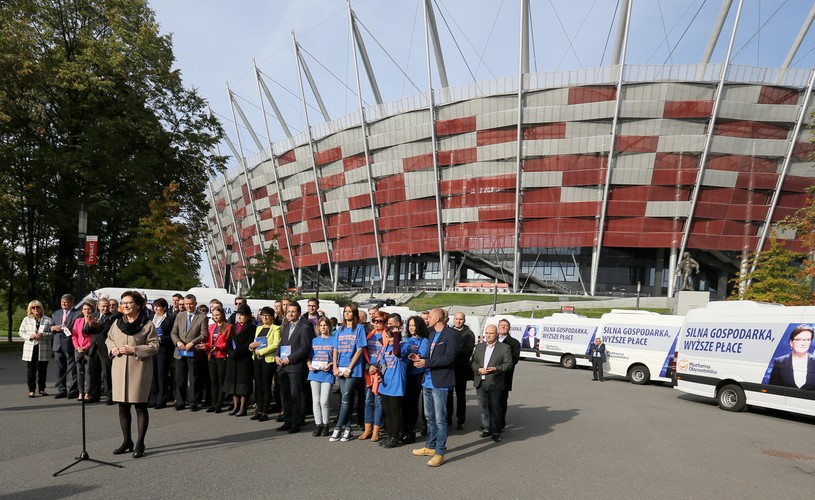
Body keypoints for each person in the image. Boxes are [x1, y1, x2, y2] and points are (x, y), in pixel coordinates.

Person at [106, 291, 159, 459]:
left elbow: (154, 346)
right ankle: (127, 441)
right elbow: (109, 339)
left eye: (129, 302)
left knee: (140, 406)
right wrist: (113, 349)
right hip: (119, 367)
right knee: (122, 406)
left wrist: (134, 349)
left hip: (139, 368)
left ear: (138, 305)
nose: (126, 305)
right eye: (123, 303)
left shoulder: (147, 324)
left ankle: (140, 443)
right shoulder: (117, 323)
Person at [410, 308, 457, 467]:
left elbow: (449, 358)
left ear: (437, 318)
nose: (427, 319)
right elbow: (430, 356)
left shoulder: (451, 335)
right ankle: (430, 446)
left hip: (441, 382)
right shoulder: (431, 334)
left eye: (429, 316)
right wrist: (419, 358)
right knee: (429, 417)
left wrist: (427, 363)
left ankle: (440, 452)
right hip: (428, 381)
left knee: (440, 420)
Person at [329, 303, 367, 442]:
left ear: (354, 314)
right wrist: (335, 366)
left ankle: (338, 428)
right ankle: (348, 429)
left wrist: (349, 368)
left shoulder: (359, 328)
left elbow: (359, 350)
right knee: (347, 399)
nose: (346, 313)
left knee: (345, 398)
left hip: (352, 369)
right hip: (340, 368)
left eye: (350, 311)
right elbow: (335, 349)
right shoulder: (340, 329)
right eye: (345, 311)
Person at [276, 301, 315, 433]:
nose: (290, 314)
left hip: (295, 366)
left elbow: (305, 348)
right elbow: (281, 344)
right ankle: (287, 421)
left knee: (295, 395)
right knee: (286, 395)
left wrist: (289, 359)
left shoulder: (305, 327)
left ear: (298, 313)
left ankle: (296, 422)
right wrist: (276, 356)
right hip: (283, 366)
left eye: (293, 312)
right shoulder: (286, 326)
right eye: (288, 312)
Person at [470, 324, 512, 442]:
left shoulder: (505, 348)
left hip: (495, 382)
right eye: (487, 333)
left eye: (491, 333)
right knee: (482, 407)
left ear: (496, 334)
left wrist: (495, 369)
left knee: (495, 408)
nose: (488, 335)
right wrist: (478, 369)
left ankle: (495, 431)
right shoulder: (479, 347)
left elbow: (508, 365)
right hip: (480, 381)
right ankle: (486, 428)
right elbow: (473, 362)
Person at [170, 294, 208, 411]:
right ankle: (180, 402)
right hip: (180, 351)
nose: (189, 306)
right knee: (180, 378)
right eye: (186, 304)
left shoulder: (202, 317)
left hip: (194, 352)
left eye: (191, 304)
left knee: (194, 379)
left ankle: (193, 402)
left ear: (195, 303)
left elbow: (204, 334)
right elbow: (173, 332)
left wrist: (192, 343)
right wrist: (178, 342)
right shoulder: (179, 315)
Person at [376, 314, 408, 448]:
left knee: (395, 412)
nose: (388, 339)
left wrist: (396, 336)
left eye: (391, 337)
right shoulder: (386, 348)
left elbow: (397, 353)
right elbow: (382, 365)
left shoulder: (404, 346)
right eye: (388, 337)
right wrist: (379, 375)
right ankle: (389, 435)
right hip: (385, 384)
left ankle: (395, 437)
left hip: (396, 384)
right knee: (387, 412)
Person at [360, 311, 387, 442]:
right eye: (374, 321)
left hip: (380, 373)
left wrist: (376, 368)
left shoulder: (387, 337)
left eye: (379, 321)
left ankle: (376, 430)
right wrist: (368, 367)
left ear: (385, 323)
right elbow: (362, 354)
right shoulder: (368, 335)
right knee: (368, 401)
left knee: (378, 402)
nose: (376, 323)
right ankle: (367, 429)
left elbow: (387, 356)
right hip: (368, 372)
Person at [401, 315, 429, 444]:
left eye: (414, 325)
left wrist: (413, 357)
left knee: (412, 404)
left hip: (416, 375)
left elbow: (420, 356)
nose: (411, 328)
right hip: (404, 374)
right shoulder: (405, 339)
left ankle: (410, 432)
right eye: (410, 325)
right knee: (403, 404)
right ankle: (403, 430)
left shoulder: (424, 340)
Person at [250, 306, 281, 422]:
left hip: (268, 360)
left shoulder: (276, 328)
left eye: (267, 315)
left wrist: (262, 351)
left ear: (272, 317)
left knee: (266, 385)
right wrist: (251, 347)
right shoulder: (258, 328)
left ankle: (265, 411)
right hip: (257, 358)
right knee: (258, 385)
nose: (265, 317)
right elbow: (255, 342)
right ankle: (259, 409)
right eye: (263, 315)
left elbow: (275, 345)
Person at [224, 304, 255, 416]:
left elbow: (249, 344)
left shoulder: (252, 328)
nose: (240, 317)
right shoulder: (233, 327)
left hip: (244, 359)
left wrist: (237, 352)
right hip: (233, 359)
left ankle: (243, 407)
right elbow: (228, 341)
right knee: (233, 383)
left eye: (242, 315)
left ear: (248, 316)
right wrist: (230, 352)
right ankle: (235, 406)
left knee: (243, 384)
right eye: (238, 315)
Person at [308, 317, 336, 436]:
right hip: (314, 373)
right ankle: (318, 424)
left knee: (324, 401)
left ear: (329, 326)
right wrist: (309, 365)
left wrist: (331, 364)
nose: (323, 327)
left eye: (325, 325)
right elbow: (309, 356)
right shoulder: (314, 340)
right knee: (316, 401)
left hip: (327, 373)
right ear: (318, 327)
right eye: (321, 325)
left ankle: (326, 424)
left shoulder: (334, 340)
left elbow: (336, 357)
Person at [19, 300, 53, 398]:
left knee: (43, 370)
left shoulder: (48, 320)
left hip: (43, 347)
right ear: (30, 309)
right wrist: (30, 336)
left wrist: (43, 335)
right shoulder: (26, 319)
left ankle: (42, 389)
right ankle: (31, 390)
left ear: (41, 308)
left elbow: (52, 334)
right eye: (33, 308)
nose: (35, 309)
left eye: (37, 307)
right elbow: (21, 332)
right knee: (31, 370)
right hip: (31, 347)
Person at [448, 311, 475, 430]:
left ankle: (461, 420)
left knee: (460, 396)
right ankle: (447, 418)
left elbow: (468, 351)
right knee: (448, 395)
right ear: (453, 319)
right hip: (449, 369)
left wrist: (453, 350)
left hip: (461, 370)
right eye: (457, 319)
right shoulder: (448, 331)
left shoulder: (469, 334)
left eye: (461, 319)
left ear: (464, 320)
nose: (458, 321)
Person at [51, 294, 81, 399]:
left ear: (72, 303)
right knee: (59, 368)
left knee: (71, 369)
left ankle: (72, 390)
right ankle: (62, 390)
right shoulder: (57, 313)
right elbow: (51, 325)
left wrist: (64, 328)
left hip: (70, 344)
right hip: (57, 344)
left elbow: (77, 328)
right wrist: (53, 328)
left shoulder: (78, 313)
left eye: (66, 302)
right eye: (62, 301)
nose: (63, 303)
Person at [147, 298, 175, 409]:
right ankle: (153, 399)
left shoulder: (170, 318)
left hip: (163, 349)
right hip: (152, 348)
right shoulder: (151, 318)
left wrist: (161, 339)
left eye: (158, 306)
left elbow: (172, 335)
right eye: (155, 306)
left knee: (162, 374)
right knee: (153, 374)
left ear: (164, 307)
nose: (156, 308)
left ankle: (161, 399)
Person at [89, 298, 117, 404]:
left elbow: (108, 330)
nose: (105, 308)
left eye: (107, 306)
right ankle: (94, 395)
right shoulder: (94, 316)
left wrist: (98, 326)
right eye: (103, 306)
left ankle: (110, 395)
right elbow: (86, 331)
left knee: (107, 373)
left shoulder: (113, 317)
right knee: (94, 373)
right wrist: (90, 325)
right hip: (93, 348)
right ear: (98, 306)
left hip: (105, 348)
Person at [769, 325, 815, 389]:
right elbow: (773, 389)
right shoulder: (780, 362)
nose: (803, 343)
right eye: (799, 340)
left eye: (807, 340)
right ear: (791, 343)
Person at [204, 306, 232, 413]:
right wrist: (204, 346)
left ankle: (219, 404)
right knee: (213, 381)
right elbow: (209, 342)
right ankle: (213, 403)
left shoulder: (228, 326)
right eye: (214, 315)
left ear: (222, 315)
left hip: (222, 356)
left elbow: (228, 343)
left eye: (218, 315)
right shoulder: (212, 326)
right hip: (212, 356)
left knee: (221, 382)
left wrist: (218, 347)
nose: (216, 317)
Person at [71, 302, 98, 401]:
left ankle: (87, 392)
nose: (87, 311)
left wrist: (86, 347)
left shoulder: (94, 321)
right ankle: (80, 392)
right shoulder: (78, 321)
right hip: (78, 349)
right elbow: (74, 335)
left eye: (89, 309)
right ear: (82, 311)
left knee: (88, 370)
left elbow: (93, 337)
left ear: (92, 310)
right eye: (85, 309)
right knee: (79, 370)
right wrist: (77, 347)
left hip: (89, 349)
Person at [497, 318, 520, 432]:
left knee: (501, 401)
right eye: (501, 325)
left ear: (509, 328)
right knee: (489, 401)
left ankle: (500, 423)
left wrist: (498, 364)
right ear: (498, 327)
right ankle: (489, 423)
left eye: (505, 326)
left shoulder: (514, 343)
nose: (503, 327)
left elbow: (514, 360)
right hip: (491, 376)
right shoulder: (493, 339)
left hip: (504, 376)